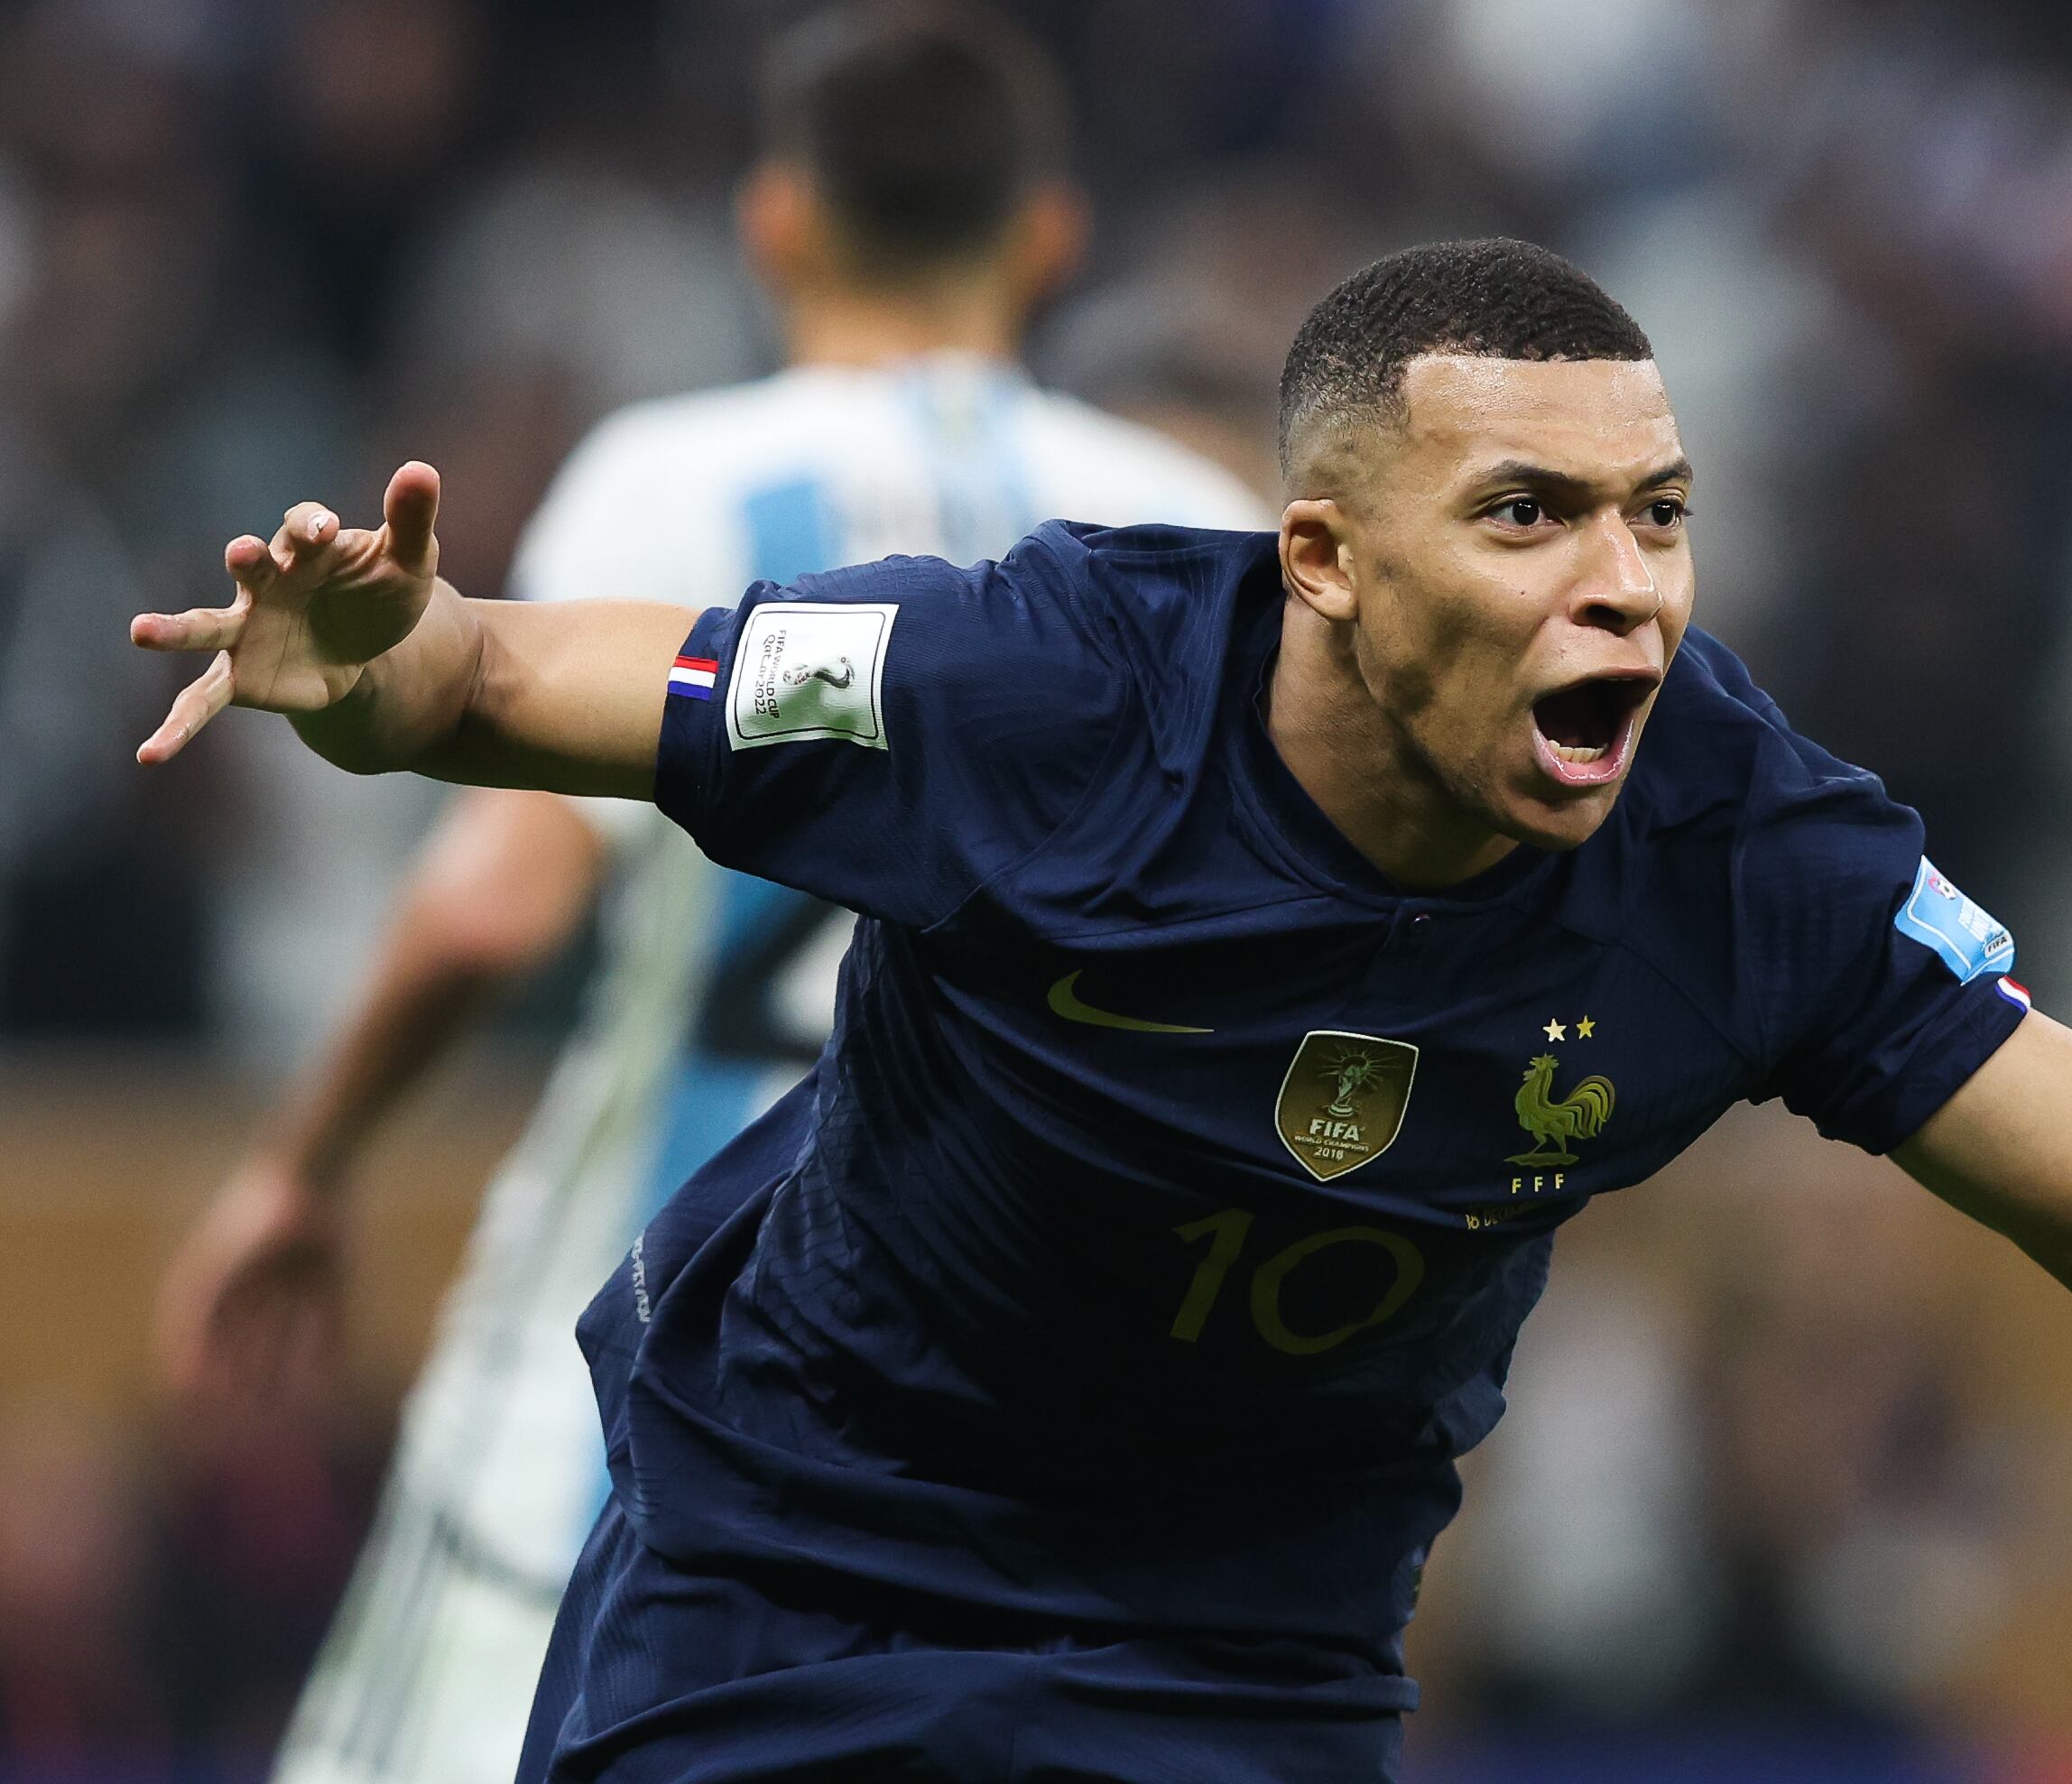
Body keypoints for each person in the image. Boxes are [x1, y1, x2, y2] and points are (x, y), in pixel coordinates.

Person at [131, 237, 2072, 1782]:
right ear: (1315, 558)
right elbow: (503, 681)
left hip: (1244, 1656)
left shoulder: (1741, 848)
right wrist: (373, 660)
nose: (1620, 586)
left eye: (1653, 513)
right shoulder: (1036, 684)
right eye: (1523, 516)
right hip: (804, 1557)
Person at [148, 10, 1265, 1784]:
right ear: (1048, 235)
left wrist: (302, 1165)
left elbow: (498, 900)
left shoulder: (676, 480)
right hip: (1020, 1436)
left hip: (633, 1394)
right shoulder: (1190, 529)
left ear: (774, 222)